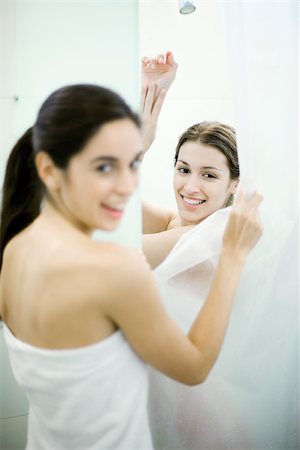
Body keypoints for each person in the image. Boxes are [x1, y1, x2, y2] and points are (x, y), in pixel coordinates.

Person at [0, 83, 262, 450]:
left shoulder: (15, 248)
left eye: (129, 167)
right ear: (48, 169)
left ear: (235, 183)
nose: (126, 187)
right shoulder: (113, 269)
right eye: (105, 167)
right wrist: (234, 255)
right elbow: (194, 366)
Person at [141, 52, 240, 269]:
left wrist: (139, 147)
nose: (191, 187)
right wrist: (149, 91)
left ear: (235, 183)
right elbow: (96, 197)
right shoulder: (172, 222)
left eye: (209, 175)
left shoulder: (209, 236)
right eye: (184, 170)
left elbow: (114, 248)